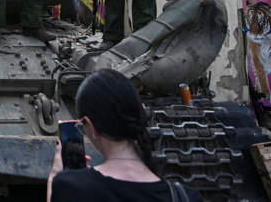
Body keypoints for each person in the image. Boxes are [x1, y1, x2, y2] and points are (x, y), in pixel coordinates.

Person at [47, 68, 203, 201]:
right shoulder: (186, 197)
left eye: (82, 126)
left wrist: (55, 177)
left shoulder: (70, 187)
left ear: (91, 127)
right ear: (141, 111)